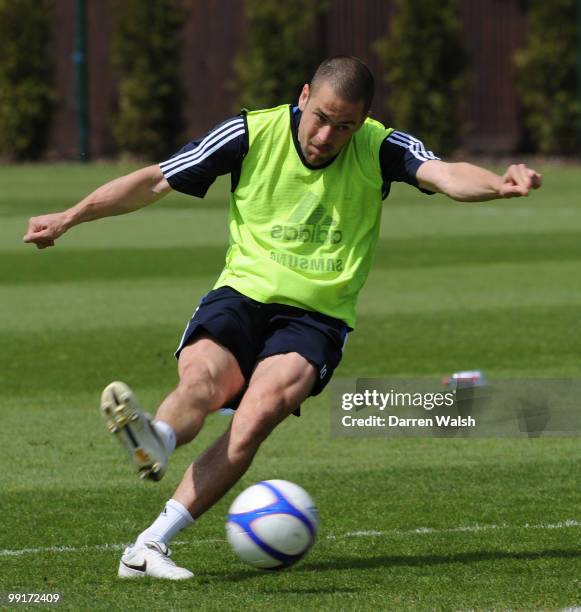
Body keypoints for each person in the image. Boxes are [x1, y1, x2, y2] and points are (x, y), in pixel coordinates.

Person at [23, 56, 542, 580]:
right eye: (321, 117)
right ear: (303, 97)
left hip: (317, 317)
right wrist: (69, 217)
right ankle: (156, 438)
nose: (327, 135)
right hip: (241, 295)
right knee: (203, 380)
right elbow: (153, 182)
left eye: (345, 126)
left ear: (363, 120)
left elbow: (446, 173)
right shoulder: (251, 133)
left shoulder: (380, 145)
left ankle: (149, 545)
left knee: (257, 413)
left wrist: (500, 184)